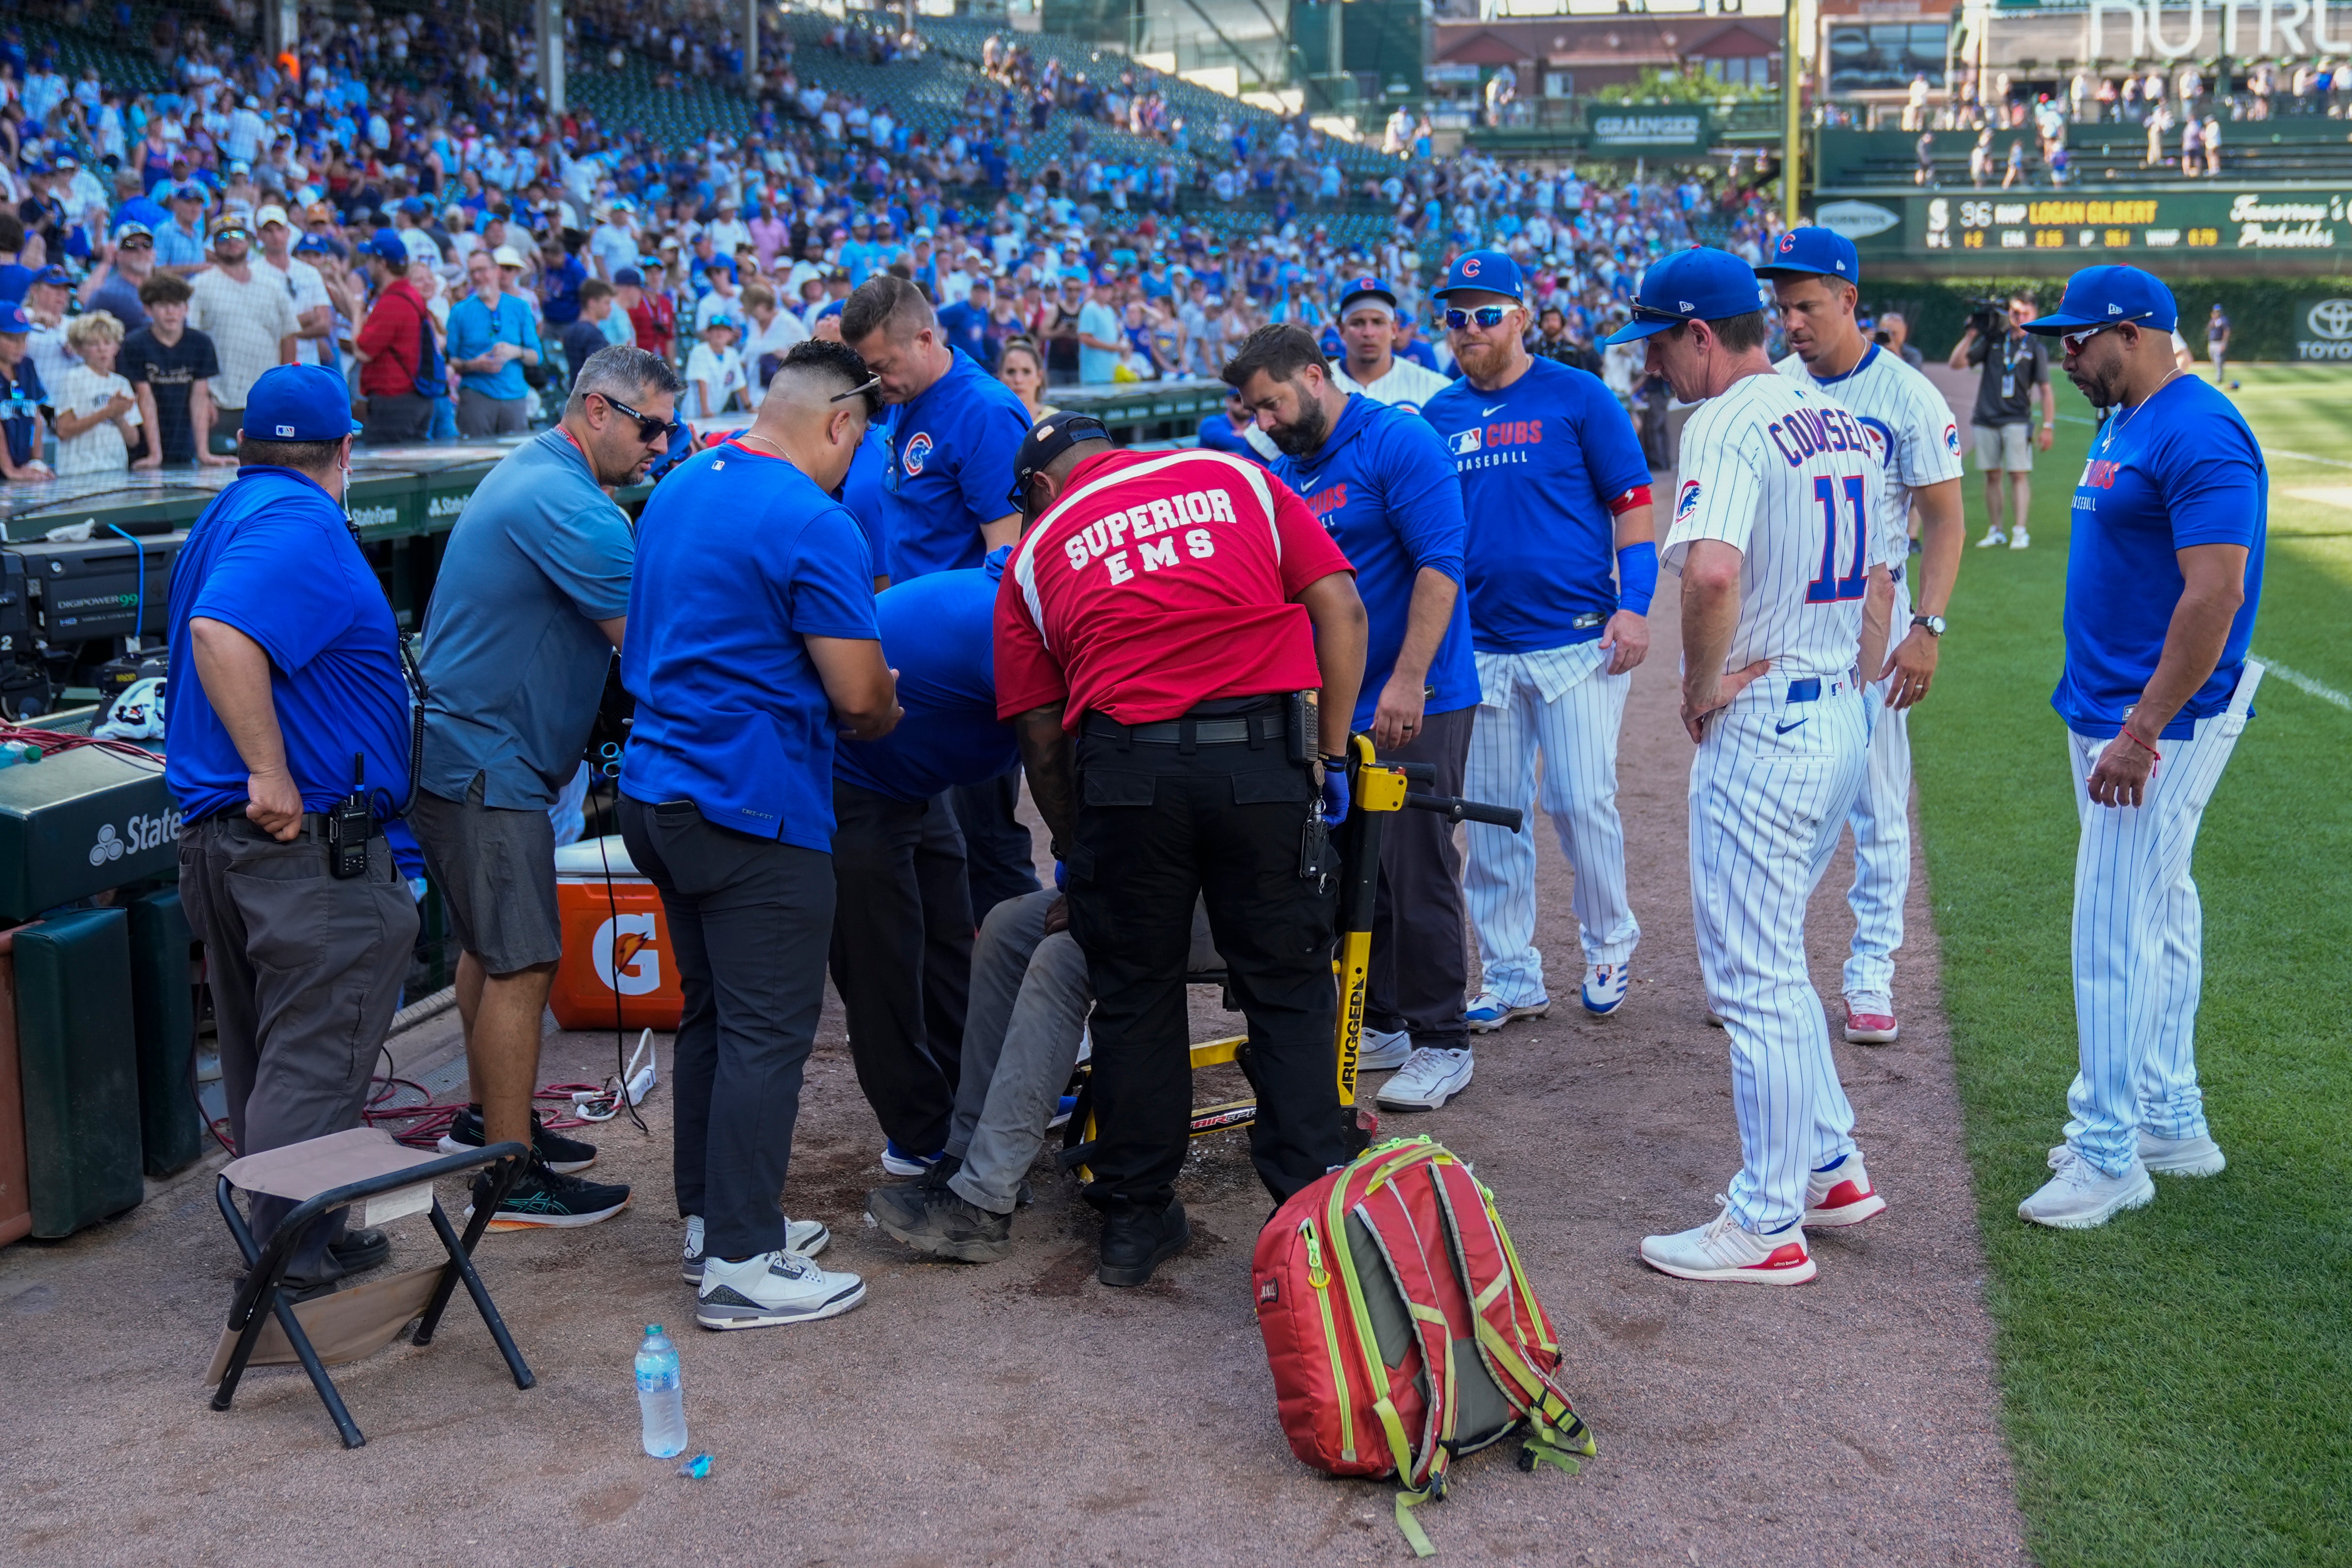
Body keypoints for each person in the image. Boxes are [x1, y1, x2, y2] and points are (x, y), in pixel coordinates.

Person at [994, 412, 1369, 1288]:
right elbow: (1342, 609)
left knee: (1135, 991)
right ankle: (1313, 1209)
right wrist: (1331, 750)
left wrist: (1082, 848)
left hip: (1127, 769)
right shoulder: (1235, 477)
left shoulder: (1037, 549)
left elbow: (1040, 737)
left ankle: (1135, 1217)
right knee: (1285, 985)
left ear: (1042, 487)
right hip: (1263, 755)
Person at [1606, 247, 1898, 1285]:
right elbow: (1874, 581)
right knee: (1775, 955)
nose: (1651, 364)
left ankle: (1765, 1219)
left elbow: (1712, 570)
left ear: (1698, 333)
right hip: (1832, 709)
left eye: (1656, 342)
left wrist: (1698, 684)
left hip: (1767, 717)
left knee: (1753, 971)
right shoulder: (1836, 413)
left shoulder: (1726, 420)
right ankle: (1828, 1165)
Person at [619, 339, 895, 1330]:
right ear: (839, 424)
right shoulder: (812, 518)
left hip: (656, 791)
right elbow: (859, 696)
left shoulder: (686, 478)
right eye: (857, 443)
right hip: (749, 804)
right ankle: (740, 1258)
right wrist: (890, 703)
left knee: (712, 1018)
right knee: (765, 1035)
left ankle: (713, 1219)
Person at [2015, 265, 2267, 1228]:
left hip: (2156, 720)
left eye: (2076, 339)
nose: (2063, 355)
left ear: (2130, 331)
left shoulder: (2198, 427)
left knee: (2109, 922)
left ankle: (2108, 1149)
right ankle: (2169, 1115)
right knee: (2156, 908)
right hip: (2110, 704)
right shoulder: (2123, 415)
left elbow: (2215, 594)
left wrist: (2140, 730)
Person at [412, 346, 683, 1229]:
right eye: (651, 426)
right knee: (525, 960)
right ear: (597, 411)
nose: (662, 445)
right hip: (488, 763)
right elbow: (658, 657)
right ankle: (510, 1173)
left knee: (492, 951)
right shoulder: (568, 501)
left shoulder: (547, 472)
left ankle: (492, 1123)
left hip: (472, 755)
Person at [166, 364, 417, 1296]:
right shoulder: (298, 519)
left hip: (234, 841)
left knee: (273, 1053)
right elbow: (222, 634)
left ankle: (308, 1223)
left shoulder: (232, 509)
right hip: (295, 840)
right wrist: (270, 769)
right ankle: (288, 1259)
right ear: (346, 449)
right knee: (315, 1054)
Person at [1225, 323, 1477, 1097]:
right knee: (1359, 866)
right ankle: (1390, 1020)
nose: (1263, 423)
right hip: (1337, 702)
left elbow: (1441, 563)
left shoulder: (1396, 440)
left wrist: (1409, 680)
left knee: (1414, 860)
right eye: (1253, 413)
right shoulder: (1291, 472)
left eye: (1270, 404)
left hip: (1413, 692)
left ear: (1312, 373)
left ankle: (1444, 1035)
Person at [1423, 251, 1655, 1059]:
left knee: (1581, 799)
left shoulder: (1578, 395)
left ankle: (1607, 938)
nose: (1470, 329)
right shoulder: (1436, 416)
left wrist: (1635, 606)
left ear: (1523, 316)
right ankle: (1512, 972)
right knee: (1489, 818)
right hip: (1478, 647)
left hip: (1576, 637)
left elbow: (1632, 506)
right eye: (1456, 316)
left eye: (1486, 313)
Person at [1761, 228, 1966, 1045]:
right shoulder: (1771, 385)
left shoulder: (1905, 393)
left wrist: (1928, 627)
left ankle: (1870, 970)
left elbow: (1946, 521)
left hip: (1876, 616)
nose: (1793, 322)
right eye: (1782, 308)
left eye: (1806, 305)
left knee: (1876, 801)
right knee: (1787, 797)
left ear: (1850, 300)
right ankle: (1767, 963)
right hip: (1789, 614)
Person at [841, 275, 1041, 920]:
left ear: (925, 338)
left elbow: (1008, 564)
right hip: (917, 661)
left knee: (988, 846)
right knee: (937, 848)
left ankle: (1037, 1000)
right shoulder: (905, 402)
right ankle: (957, 1003)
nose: (877, 382)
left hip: (969, 675)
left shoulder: (981, 410)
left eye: (883, 365)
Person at [828, 548, 1026, 1177]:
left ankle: (966, 1107)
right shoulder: (1008, 622)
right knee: (880, 960)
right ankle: (917, 1136)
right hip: (844, 776)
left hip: (916, 776)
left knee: (948, 937)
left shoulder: (1027, 604)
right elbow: (1059, 757)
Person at [1949, 291, 2054, 550]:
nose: (2019, 318)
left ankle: (2020, 530)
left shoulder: (2036, 348)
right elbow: (1957, 363)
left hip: (2017, 419)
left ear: (2035, 315)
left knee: (2018, 474)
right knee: (1992, 476)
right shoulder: (1994, 340)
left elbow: (2045, 389)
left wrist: (2048, 426)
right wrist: (1971, 334)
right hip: (1986, 417)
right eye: (2015, 312)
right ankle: (1996, 530)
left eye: (2025, 313)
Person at [187, 216, 300, 455]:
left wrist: (285, 393)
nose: (231, 242)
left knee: (269, 471)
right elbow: (192, 344)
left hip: (266, 402)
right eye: (223, 237)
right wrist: (203, 398)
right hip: (220, 403)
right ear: (214, 246)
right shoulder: (200, 286)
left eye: (238, 235)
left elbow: (288, 338)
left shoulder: (273, 286)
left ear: (249, 241)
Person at [122, 273, 227, 467]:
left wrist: (204, 453)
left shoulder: (201, 343)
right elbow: (145, 398)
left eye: (177, 305)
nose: (171, 312)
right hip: (142, 447)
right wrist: (155, 455)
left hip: (184, 442)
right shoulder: (135, 344)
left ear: (186, 309)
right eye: (162, 305)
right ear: (148, 310)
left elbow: (200, 398)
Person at [446, 246, 542, 437]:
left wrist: (516, 352)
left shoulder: (520, 307)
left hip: (514, 397)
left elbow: (537, 356)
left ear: (496, 271)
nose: (478, 277)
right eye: (473, 272)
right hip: (476, 397)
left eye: (482, 270)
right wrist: (474, 364)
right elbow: (451, 361)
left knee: (514, 463)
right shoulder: (460, 311)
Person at [353, 230, 436, 445]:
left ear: (382, 263)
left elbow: (363, 352)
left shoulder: (393, 302)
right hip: (414, 399)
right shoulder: (410, 294)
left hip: (395, 403)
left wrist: (355, 310)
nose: (367, 265)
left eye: (370, 259)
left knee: (386, 472)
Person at [1327, 276, 1452, 415]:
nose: (1369, 333)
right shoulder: (1318, 387)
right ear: (1342, 330)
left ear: (1394, 329)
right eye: (1358, 323)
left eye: (1378, 322)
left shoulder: (1433, 387)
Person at [50, 310, 140, 476]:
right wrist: (108, 412)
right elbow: (63, 431)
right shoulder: (73, 379)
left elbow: (133, 440)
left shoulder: (122, 383)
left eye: (107, 342)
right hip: (78, 473)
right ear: (79, 349)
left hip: (116, 470)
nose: (102, 349)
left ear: (116, 347)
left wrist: (118, 417)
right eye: (93, 344)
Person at [0, 301, 51, 482]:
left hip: (20, 470)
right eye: (12, 339)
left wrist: (37, 464)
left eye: (24, 338)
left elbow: (36, 418)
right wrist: (9, 470)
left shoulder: (27, 366)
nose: (20, 345)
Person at [86, 220, 155, 334]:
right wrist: (106, 262)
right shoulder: (108, 293)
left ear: (154, 252)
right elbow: (85, 300)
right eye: (131, 246)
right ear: (118, 255)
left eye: (147, 244)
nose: (141, 250)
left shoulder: (163, 290)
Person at [1195, 384, 1275, 466]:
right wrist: (1256, 435)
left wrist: (1246, 434)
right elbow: (1230, 443)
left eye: (1249, 400)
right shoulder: (1211, 423)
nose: (1244, 404)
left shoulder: (1257, 421)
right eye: (1238, 399)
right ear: (1228, 401)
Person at [684, 317, 746, 420]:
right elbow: (702, 381)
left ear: (731, 335)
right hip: (695, 414)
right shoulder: (699, 351)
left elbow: (740, 384)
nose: (720, 333)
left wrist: (749, 407)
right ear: (708, 334)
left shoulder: (732, 354)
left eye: (724, 330)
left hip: (715, 414)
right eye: (716, 329)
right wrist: (705, 410)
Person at [562, 280, 619, 388]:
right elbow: (598, 376)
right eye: (607, 303)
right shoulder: (595, 336)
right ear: (592, 303)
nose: (610, 308)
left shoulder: (570, 330)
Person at [996, 337, 1054, 422]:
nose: (1018, 380)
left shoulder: (1057, 422)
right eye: (1011, 372)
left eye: (1026, 372)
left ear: (1039, 377)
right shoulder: (991, 421)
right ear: (1000, 377)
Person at [2205, 303, 2231, 384]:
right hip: (2212, 342)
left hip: (2219, 342)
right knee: (2213, 359)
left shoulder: (2224, 320)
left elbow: (2227, 331)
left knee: (2218, 360)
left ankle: (2219, 378)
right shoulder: (2213, 321)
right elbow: (2208, 330)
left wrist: (2224, 343)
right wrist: (2212, 321)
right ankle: (2218, 375)